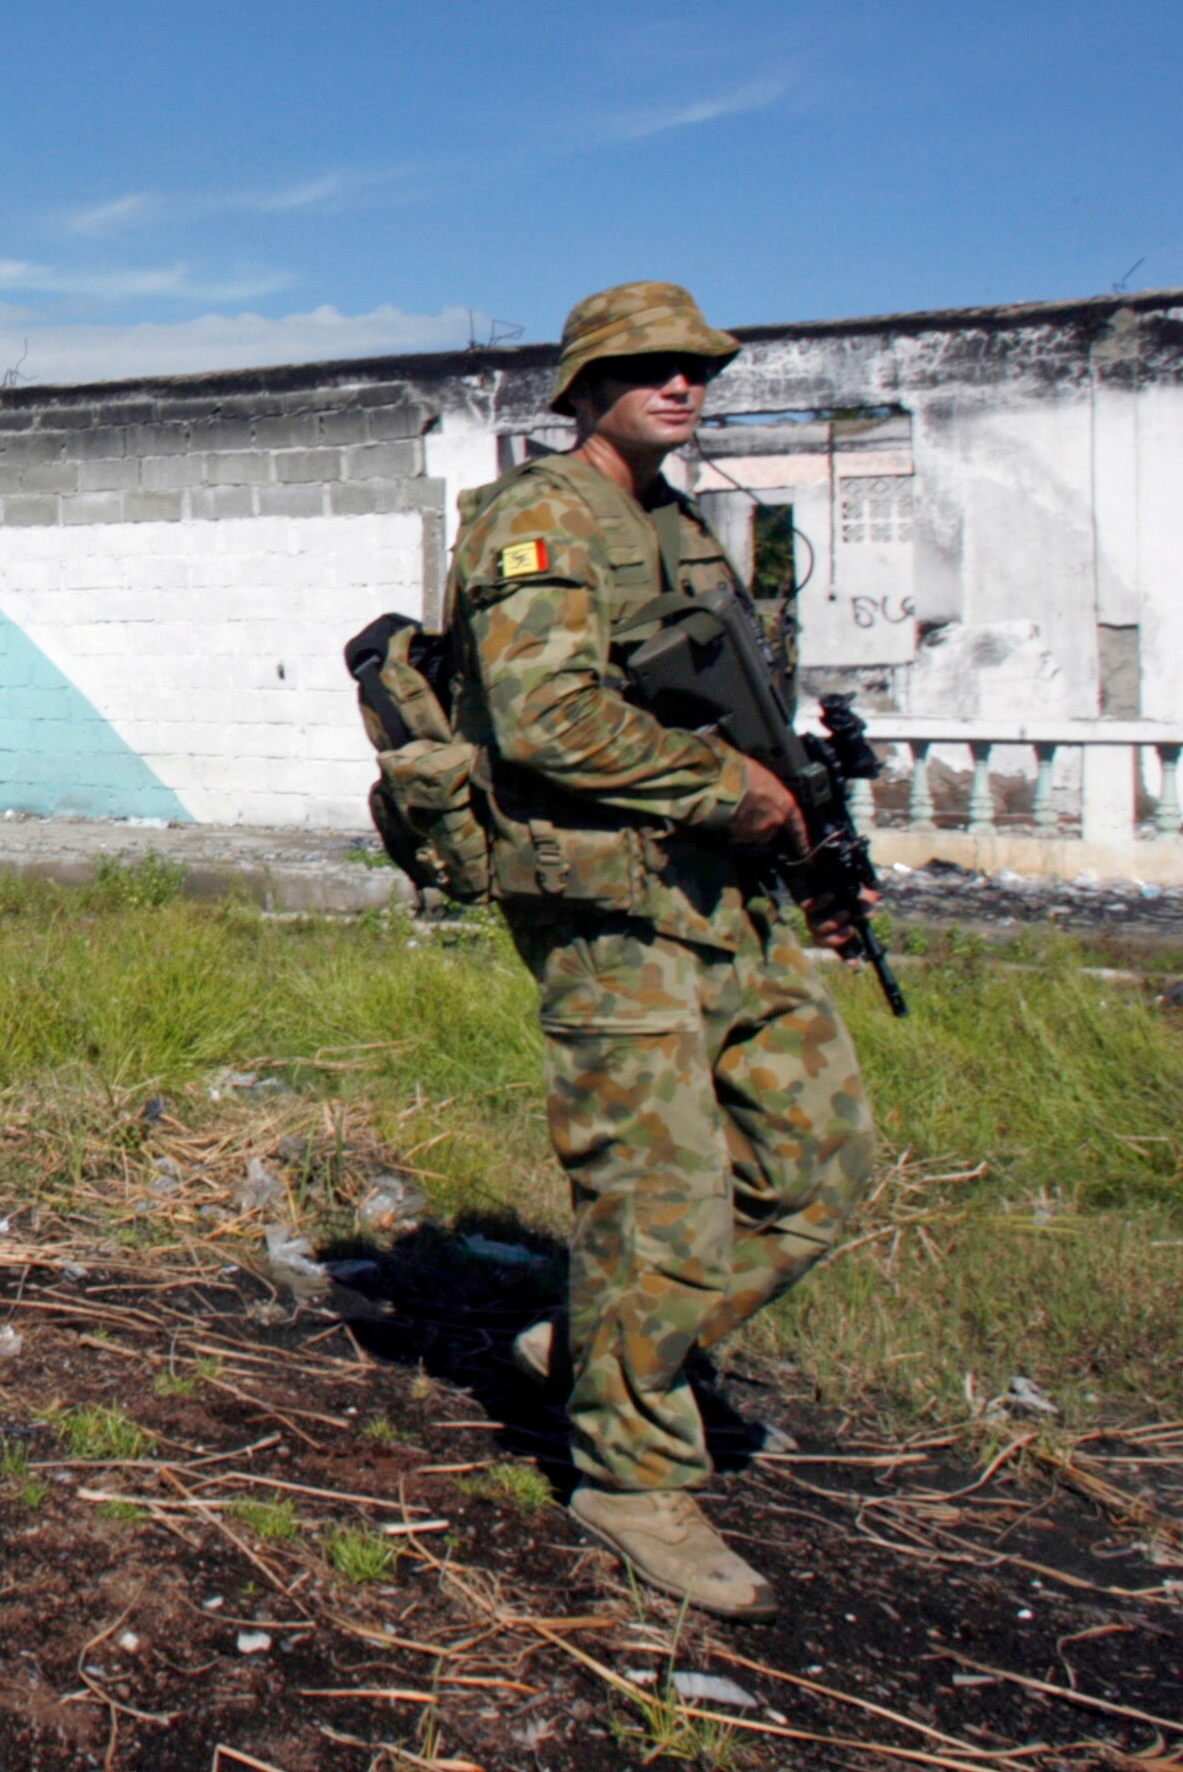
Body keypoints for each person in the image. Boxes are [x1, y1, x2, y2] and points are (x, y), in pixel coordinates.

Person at [448, 281, 875, 1622]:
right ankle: (629, 1471)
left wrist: (803, 850)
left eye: (695, 367)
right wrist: (729, 793)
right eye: (647, 368)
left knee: (816, 1169)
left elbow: (746, 720)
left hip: (725, 897)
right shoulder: (538, 519)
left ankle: (605, 1349)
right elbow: (546, 721)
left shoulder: (679, 523)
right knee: (662, 1197)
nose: (681, 385)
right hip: (608, 908)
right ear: (584, 387)